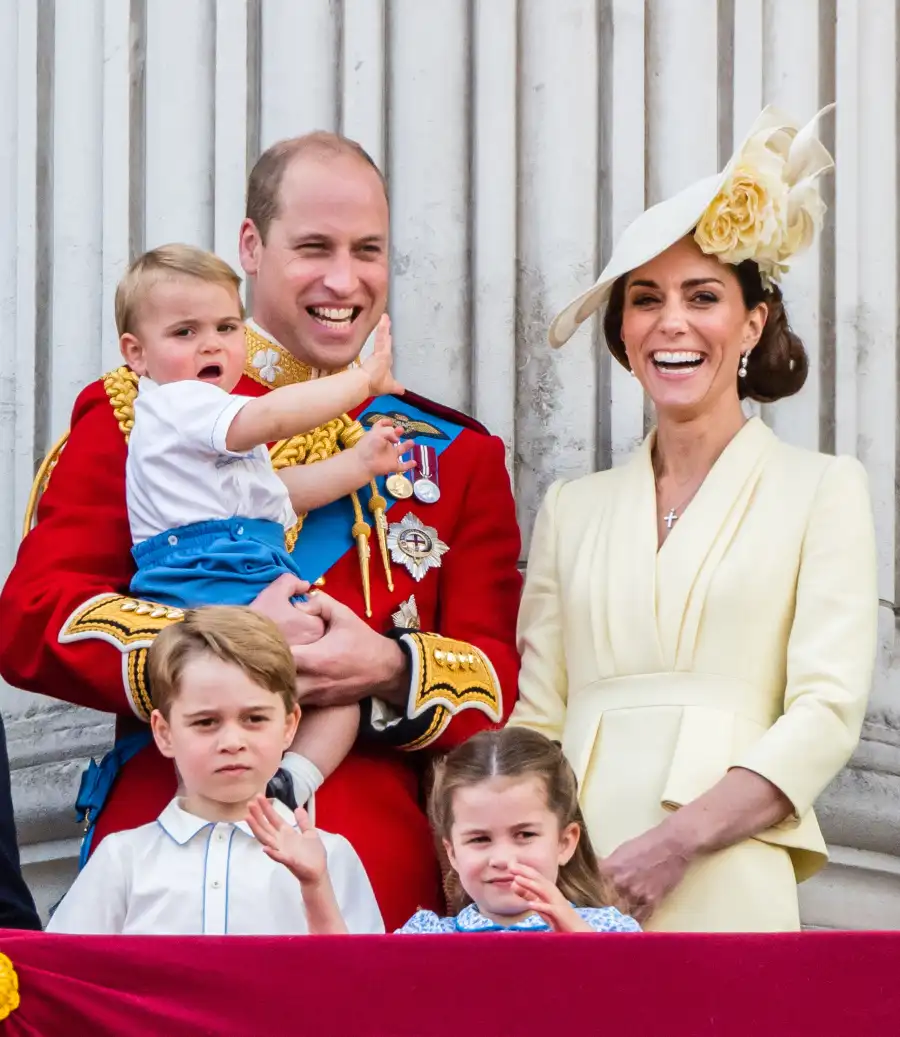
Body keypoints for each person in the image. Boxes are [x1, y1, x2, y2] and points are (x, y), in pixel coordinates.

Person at [0, 131, 522, 932]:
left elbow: (493, 679)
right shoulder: (141, 407)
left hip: (370, 889)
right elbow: (33, 617)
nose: (343, 279)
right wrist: (217, 647)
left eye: (368, 250)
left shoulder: (457, 454)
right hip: (166, 869)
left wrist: (384, 665)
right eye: (314, 247)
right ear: (251, 246)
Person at [509, 106, 879, 932]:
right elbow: (536, 720)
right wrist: (521, 861)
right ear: (624, 334)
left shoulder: (824, 489)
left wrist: (677, 841)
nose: (671, 321)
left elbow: (825, 711)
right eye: (646, 300)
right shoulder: (571, 508)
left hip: (729, 860)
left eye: (702, 296)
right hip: (573, 871)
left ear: (752, 322)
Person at [118, 243, 413, 807]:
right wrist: (362, 382)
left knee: (337, 685)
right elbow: (271, 415)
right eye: (185, 332)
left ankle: (288, 783)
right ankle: (219, 795)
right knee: (229, 693)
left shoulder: (215, 426)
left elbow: (281, 496)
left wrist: (357, 466)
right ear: (137, 353)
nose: (212, 344)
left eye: (227, 327)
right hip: (205, 576)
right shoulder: (181, 404)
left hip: (248, 562)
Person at [47, 607, 383, 935]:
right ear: (164, 733)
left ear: (289, 725)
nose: (232, 742)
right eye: (206, 722)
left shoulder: (330, 855)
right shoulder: (123, 860)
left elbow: (364, 983)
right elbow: (67, 976)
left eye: (254, 719)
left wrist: (316, 886)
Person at [395, 727, 640, 933]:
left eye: (525, 835)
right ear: (453, 854)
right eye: (480, 838)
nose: (503, 859)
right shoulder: (424, 938)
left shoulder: (610, 930)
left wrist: (583, 944)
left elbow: (643, 989)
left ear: (564, 843)